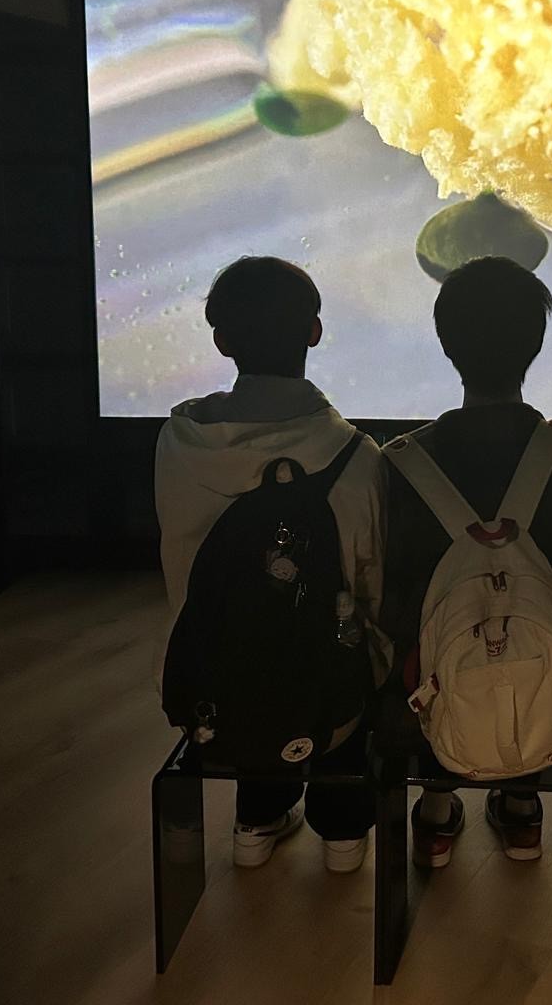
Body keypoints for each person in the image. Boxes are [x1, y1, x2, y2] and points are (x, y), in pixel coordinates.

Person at [155, 256, 389, 873]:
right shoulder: (354, 454)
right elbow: (367, 582)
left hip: (210, 673)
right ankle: (342, 833)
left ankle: (256, 818)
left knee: (250, 651)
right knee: (347, 648)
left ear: (221, 340)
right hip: (326, 681)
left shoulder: (178, 441)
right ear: (314, 331)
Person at [382, 256, 552, 866]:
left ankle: (436, 809)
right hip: (551, 676)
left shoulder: (398, 464)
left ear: (446, 345)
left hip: (430, 679)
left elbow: (391, 599)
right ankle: (521, 806)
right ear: (535, 346)